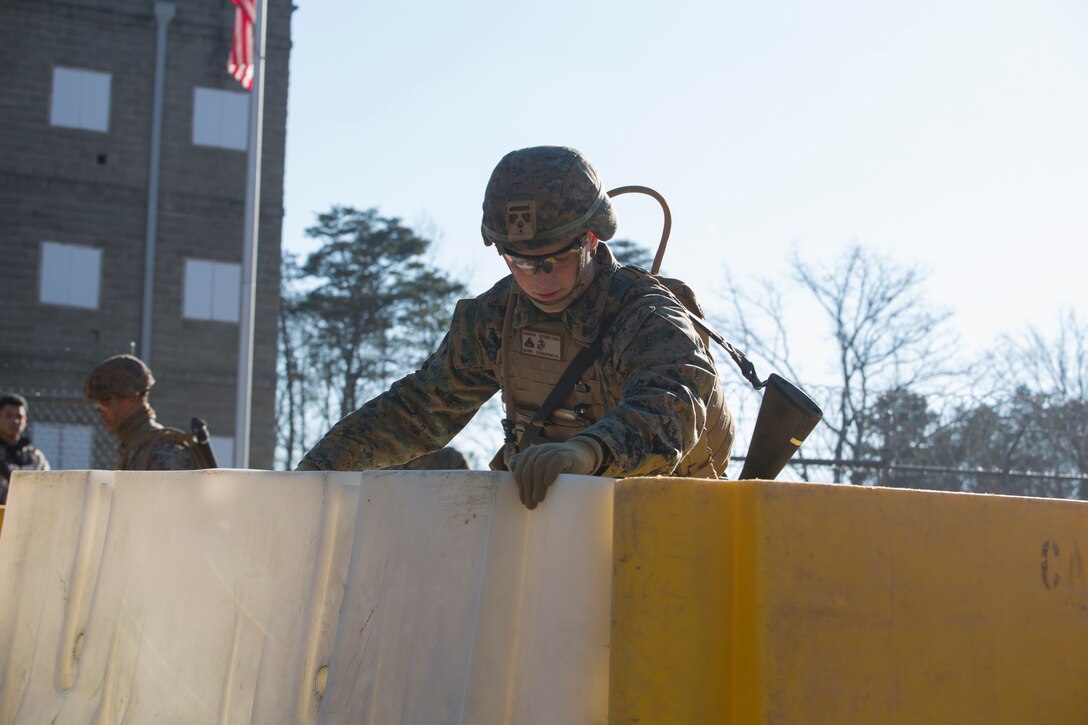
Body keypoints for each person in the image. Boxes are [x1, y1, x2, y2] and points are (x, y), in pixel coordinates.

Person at [298, 146, 735, 508]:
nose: (538, 278)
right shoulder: (497, 317)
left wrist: (587, 451)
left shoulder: (646, 316)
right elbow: (418, 410)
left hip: (668, 514)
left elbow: (672, 405)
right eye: (520, 262)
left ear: (591, 240)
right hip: (554, 522)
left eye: (554, 260)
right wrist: (315, 472)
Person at [83, 354, 208, 471]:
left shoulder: (164, 451)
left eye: (106, 401)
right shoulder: (135, 448)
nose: (101, 411)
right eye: (97, 405)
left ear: (132, 397)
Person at [1, 393, 51, 505]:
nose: (15, 421)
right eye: (9, 416)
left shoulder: (35, 457)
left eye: (19, 417)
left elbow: (47, 487)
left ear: (26, 421)